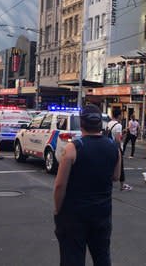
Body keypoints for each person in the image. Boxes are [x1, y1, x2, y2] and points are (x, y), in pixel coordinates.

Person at [54, 104, 121, 266]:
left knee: (72, 258)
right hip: (102, 214)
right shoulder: (114, 147)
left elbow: (60, 186)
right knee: (102, 257)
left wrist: (57, 209)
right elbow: (116, 177)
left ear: (82, 124)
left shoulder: (72, 149)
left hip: (74, 216)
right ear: (101, 125)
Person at [107, 110, 132, 191]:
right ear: (118, 116)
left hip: (109, 146)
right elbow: (117, 139)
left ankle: (107, 183)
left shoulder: (109, 123)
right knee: (120, 166)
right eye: (121, 115)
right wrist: (119, 148)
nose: (122, 116)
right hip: (116, 147)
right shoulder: (118, 125)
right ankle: (122, 185)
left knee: (110, 165)